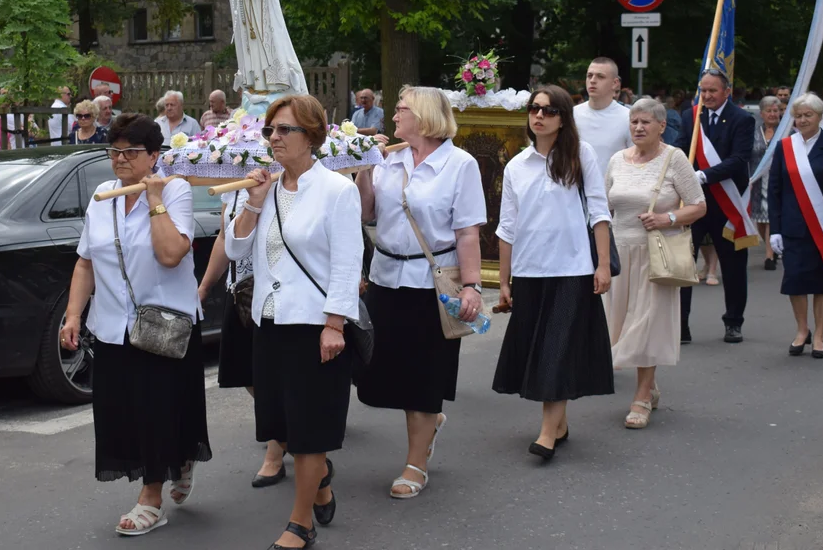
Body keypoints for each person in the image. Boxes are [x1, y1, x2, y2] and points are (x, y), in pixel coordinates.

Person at [59, 113, 211, 536]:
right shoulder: (103, 196)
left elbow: (170, 254)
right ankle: (176, 460)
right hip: (112, 325)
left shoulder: (175, 189)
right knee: (123, 411)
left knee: (156, 409)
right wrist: (74, 314)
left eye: (131, 152)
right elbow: (86, 261)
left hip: (164, 324)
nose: (120, 159)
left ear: (154, 156)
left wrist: (155, 199)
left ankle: (151, 498)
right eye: (114, 151)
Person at [225, 94, 361, 549]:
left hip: (314, 325)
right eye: (270, 131)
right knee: (282, 423)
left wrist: (335, 324)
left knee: (309, 425)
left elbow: (347, 262)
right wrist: (254, 202)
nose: (274, 138)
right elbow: (236, 252)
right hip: (269, 321)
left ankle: (300, 525)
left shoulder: (337, 191)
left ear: (312, 136)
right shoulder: (266, 187)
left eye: (285, 130)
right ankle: (319, 479)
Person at [353, 85, 485, 498]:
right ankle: (429, 422)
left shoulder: (459, 164)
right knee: (380, 372)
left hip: (432, 284)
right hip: (386, 278)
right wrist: (363, 168)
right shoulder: (389, 160)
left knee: (423, 378)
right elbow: (367, 213)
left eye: (401, 109)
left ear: (424, 116)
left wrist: (472, 286)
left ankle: (416, 464)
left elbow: (467, 233)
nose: (393, 116)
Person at [492, 84, 615, 460]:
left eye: (548, 110)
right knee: (537, 348)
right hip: (530, 272)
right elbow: (507, 227)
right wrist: (503, 280)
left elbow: (599, 210)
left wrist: (604, 265)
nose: (539, 116)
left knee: (556, 350)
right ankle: (558, 424)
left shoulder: (581, 155)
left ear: (563, 118)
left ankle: (547, 433)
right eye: (534, 109)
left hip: (573, 270)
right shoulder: (516, 165)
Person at [604, 99, 706, 429]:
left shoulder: (674, 159)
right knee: (620, 324)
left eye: (646, 122)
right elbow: (603, 210)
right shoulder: (617, 160)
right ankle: (651, 385)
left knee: (645, 324)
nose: (638, 127)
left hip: (655, 255)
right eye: (633, 121)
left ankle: (642, 397)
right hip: (619, 254)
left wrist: (667, 217)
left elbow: (698, 206)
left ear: (661, 126)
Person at [196, 189, 287, 489]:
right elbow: (225, 239)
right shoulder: (232, 190)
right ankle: (287, 422)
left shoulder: (281, 183)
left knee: (271, 374)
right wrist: (206, 286)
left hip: (275, 291)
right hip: (240, 290)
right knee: (243, 371)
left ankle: (277, 449)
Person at [768, 93, 823, 359]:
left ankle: (819, 336)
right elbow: (775, 191)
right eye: (799, 115)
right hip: (793, 228)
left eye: (809, 115)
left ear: (819, 116)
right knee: (795, 282)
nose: (803, 120)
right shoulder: (784, 147)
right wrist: (776, 229)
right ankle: (802, 330)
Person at [676, 70, 756, 344]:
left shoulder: (742, 119)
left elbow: (739, 158)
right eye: (703, 90)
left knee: (733, 265)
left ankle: (733, 322)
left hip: (726, 201)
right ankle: (680, 325)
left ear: (726, 91)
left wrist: (705, 175)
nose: (707, 96)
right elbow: (681, 149)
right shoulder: (691, 116)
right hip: (693, 202)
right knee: (684, 263)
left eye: (712, 91)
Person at [573, 57, 632, 176]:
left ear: (615, 83)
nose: (593, 80)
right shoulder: (572, 115)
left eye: (600, 76)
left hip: (612, 192)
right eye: (589, 76)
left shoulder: (628, 118)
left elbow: (637, 161)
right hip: (575, 192)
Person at [751, 97, 782, 271]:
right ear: (762, 114)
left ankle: (769, 256)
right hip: (757, 181)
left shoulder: (787, 132)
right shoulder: (754, 132)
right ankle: (772, 245)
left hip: (778, 181)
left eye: (775, 110)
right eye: (769, 111)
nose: (772, 114)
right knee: (760, 219)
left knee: (771, 217)